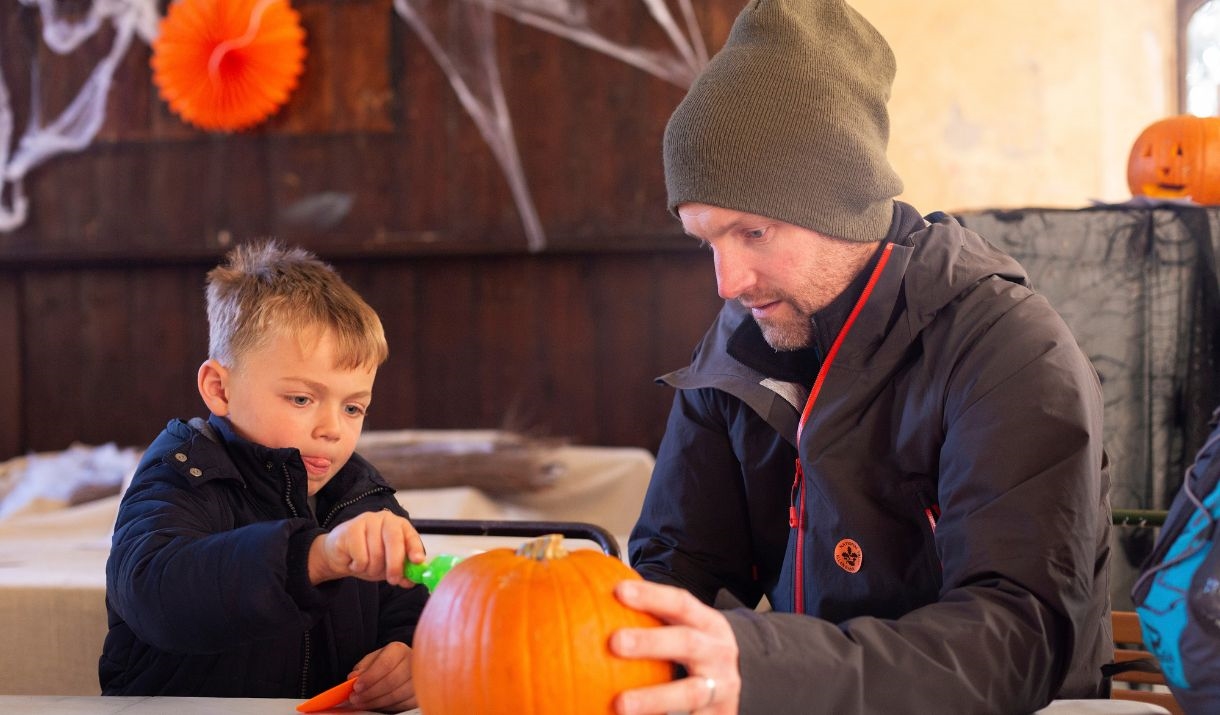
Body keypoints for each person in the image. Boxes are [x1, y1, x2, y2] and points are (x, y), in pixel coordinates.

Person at [609, 1, 1113, 713]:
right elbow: (677, 576)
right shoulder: (736, 347)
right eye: (706, 240)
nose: (727, 283)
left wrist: (764, 666)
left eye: (753, 232)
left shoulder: (1011, 349)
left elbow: (1016, 639)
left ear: (843, 206)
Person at [100, 241, 428, 712]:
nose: (332, 429)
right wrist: (314, 556)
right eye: (301, 399)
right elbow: (156, 594)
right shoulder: (182, 475)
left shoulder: (361, 493)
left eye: (353, 407)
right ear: (220, 389)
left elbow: (409, 607)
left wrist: (410, 654)